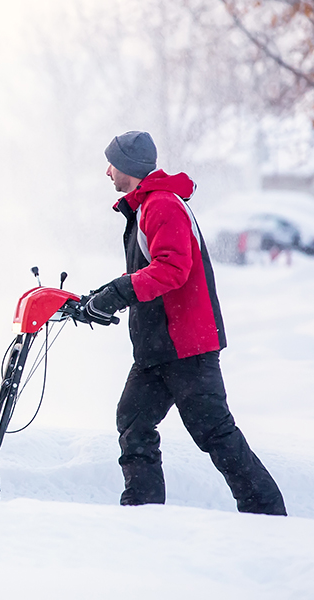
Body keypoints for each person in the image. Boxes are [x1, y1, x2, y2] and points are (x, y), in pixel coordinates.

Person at [80, 130, 286, 515]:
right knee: (134, 422)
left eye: (112, 163)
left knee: (215, 433)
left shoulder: (161, 205)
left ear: (130, 166)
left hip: (186, 345)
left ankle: (267, 513)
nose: (107, 171)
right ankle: (143, 513)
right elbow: (148, 271)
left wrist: (117, 293)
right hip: (160, 347)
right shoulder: (147, 206)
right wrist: (101, 297)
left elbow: (172, 270)